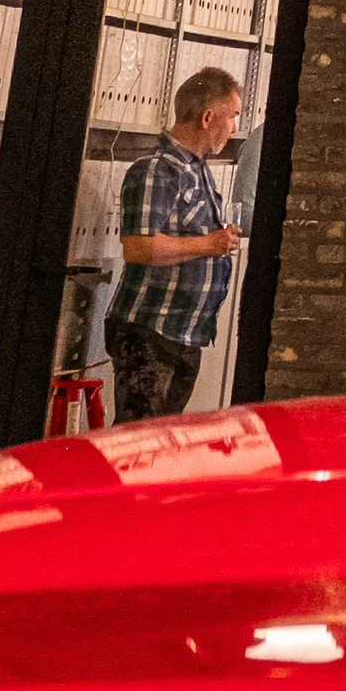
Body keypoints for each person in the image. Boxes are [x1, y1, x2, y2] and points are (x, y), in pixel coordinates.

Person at [109, 65, 244, 423]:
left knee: (166, 440)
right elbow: (138, 247)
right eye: (232, 117)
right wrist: (209, 245)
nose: (234, 128)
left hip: (185, 333)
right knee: (139, 440)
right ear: (207, 117)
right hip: (151, 331)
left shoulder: (197, 170)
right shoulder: (157, 170)